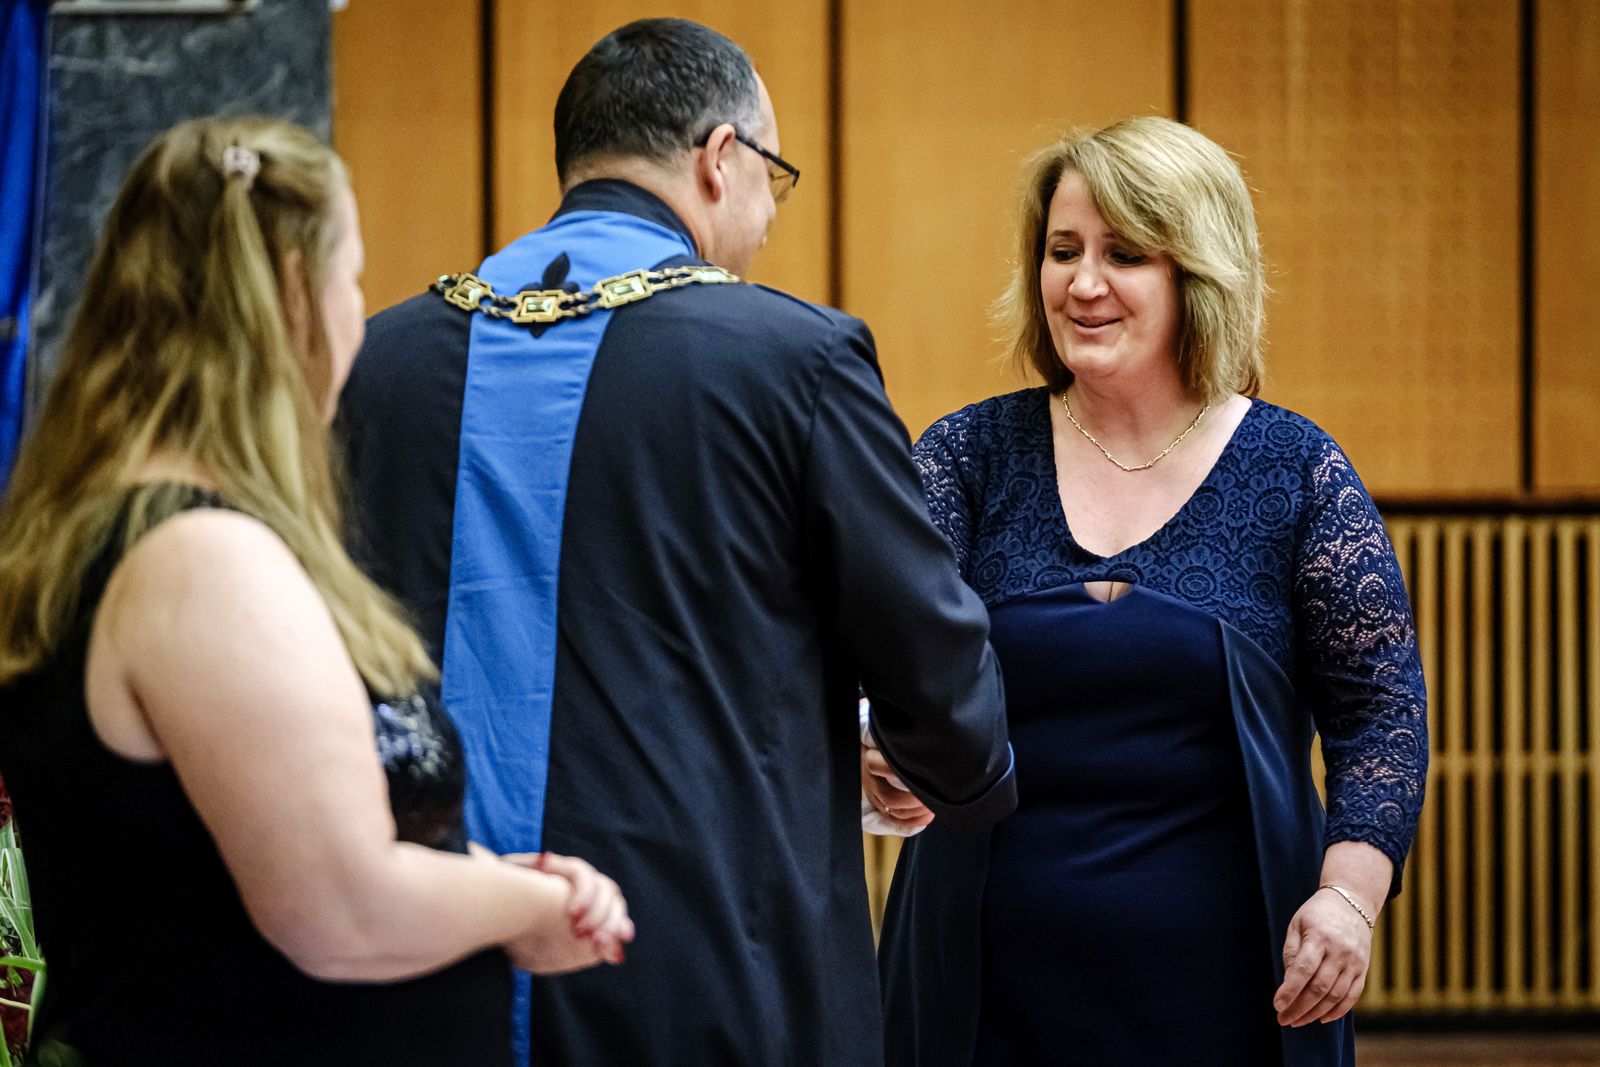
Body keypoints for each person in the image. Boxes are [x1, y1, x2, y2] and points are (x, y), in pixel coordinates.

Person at [335, 16, 1015, 1067]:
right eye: (771, 178)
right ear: (720, 158)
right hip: (700, 962)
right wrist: (955, 771)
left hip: (419, 966)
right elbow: (929, 657)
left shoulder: (378, 361)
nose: (766, 219)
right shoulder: (795, 360)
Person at [0, 116, 634, 1066]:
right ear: (296, 296)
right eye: (354, 278)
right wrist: (528, 903)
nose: (357, 315)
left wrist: (479, 887)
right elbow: (338, 910)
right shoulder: (200, 559)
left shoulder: (136, 527)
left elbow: (270, 851)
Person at [873, 116, 1428, 1067]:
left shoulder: (1294, 470)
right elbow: (877, 648)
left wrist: (1350, 896)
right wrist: (872, 741)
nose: (1082, 283)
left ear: (1196, 276)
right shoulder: (968, 455)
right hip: (981, 995)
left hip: (1236, 994)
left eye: (1124, 254)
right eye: (1063, 251)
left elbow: (1381, 713)